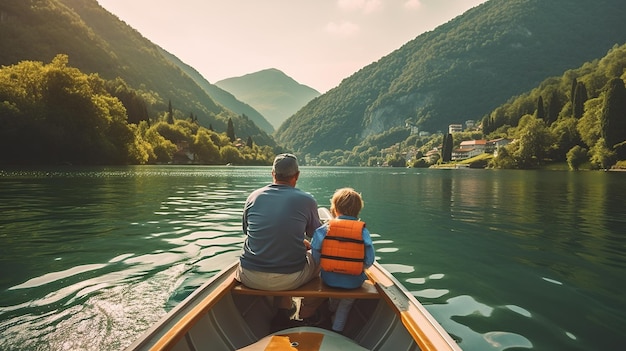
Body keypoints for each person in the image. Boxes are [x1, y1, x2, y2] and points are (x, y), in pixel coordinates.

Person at [235, 153, 321, 325]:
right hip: (290, 278)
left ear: (272, 174)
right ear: (296, 176)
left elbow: (247, 231)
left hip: (249, 276)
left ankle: (283, 308)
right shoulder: (306, 200)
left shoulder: (253, 197)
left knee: (283, 252)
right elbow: (318, 237)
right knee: (320, 258)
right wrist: (305, 244)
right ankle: (307, 312)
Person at [311, 187, 375, 334]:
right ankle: (336, 329)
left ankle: (330, 309)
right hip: (354, 282)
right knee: (346, 303)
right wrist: (357, 267)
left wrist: (323, 265)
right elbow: (370, 260)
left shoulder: (324, 229)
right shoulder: (363, 232)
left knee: (334, 294)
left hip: (328, 278)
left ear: (334, 209)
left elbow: (315, 252)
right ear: (358, 210)